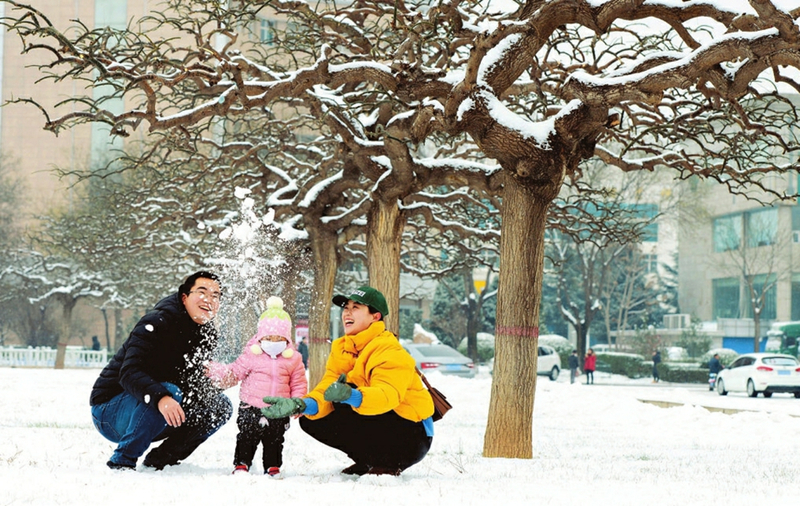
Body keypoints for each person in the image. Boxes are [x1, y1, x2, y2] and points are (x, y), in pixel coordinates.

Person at [259, 285, 434, 476]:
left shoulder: (389, 350)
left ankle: (389, 462)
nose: (347, 313)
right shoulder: (341, 347)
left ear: (375, 317)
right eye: (346, 307)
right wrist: (301, 405)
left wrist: (352, 395)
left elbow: (387, 396)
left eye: (355, 307)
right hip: (382, 421)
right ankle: (368, 460)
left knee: (347, 397)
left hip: (413, 433)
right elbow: (326, 387)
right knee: (311, 420)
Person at [89, 271, 233, 471]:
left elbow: (190, 383)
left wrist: (215, 386)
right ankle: (122, 461)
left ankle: (161, 460)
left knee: (219, 405)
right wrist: (161, 398)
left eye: (215, 296)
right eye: (202, 292)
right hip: (110, 411)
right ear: (184, 297)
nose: (209, 299)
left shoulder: (206, 335)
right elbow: (128, 372)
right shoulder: (157, 322)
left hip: (154, 413)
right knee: (169, 391)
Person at [205, 296, 307, 477]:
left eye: (278, 338)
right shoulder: (252, 355)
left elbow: (298, 382)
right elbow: (235, 372)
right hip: (250, 406)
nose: (273, 341)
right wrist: (216, 371)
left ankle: (272, 466)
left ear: (287, 338)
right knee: (246, 436)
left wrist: (297, 402)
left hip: (278, 409)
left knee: (275, 440)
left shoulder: (293, 359)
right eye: (269, 337)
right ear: (260, 337)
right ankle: (242, 463)